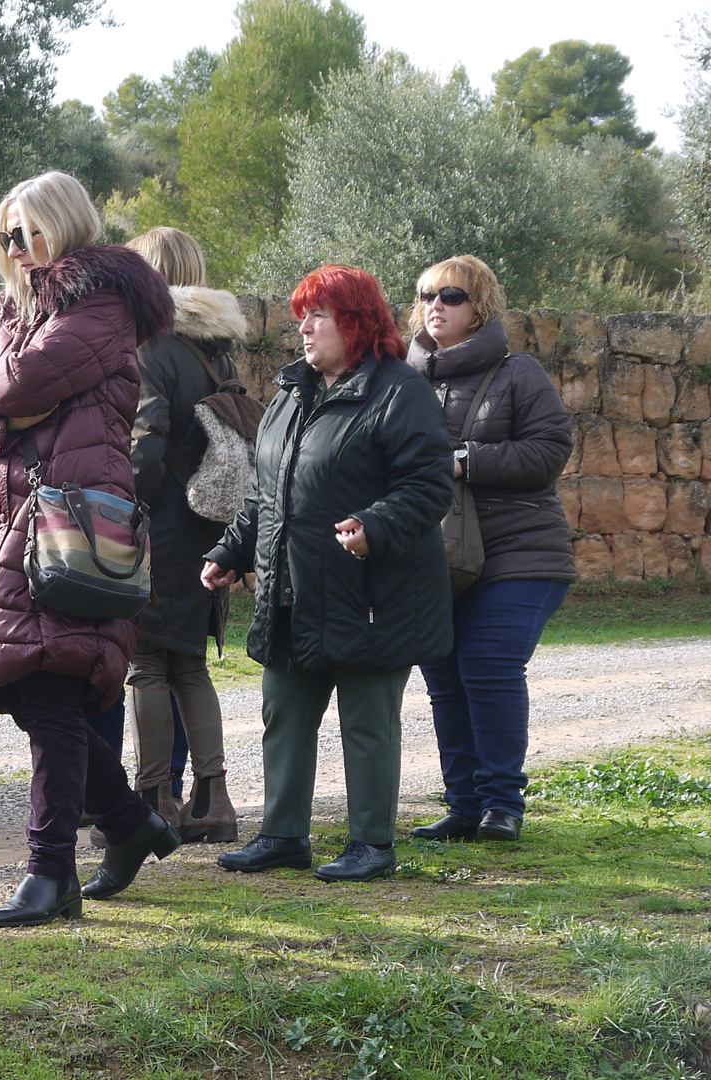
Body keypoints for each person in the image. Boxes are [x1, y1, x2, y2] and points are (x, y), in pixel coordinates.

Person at [0, 171, 179, 926]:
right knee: (24, 686)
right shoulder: (18, 313)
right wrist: (8, 420)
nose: (18, 247)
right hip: (13, 513)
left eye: (31, 231)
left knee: (48, 687)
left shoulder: (99, 301)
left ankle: (52, 872)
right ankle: (127, 820)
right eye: (8, 235)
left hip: (66, 518)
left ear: (66, 226)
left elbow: (23, 380)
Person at [206, 264, 453, 884]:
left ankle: (372, 845)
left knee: (367, 723)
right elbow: (267, 493)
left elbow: (428, 487)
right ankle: (283, 836)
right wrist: (230, 551)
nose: (304, 329)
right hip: (295, 591)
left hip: (373, 594)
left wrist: (376, 525)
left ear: (357, 322)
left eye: (318, 316)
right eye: (301, 317)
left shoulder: (401, 391)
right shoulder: (290, 393)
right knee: (283, 712)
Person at [406, 256, 574, 844]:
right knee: (444, 676)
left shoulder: (517, 372)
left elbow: (552, 448)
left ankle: (503, 804)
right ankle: (463, 805)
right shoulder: (403, 379)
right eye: (427, 294)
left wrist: (466, 460)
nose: (436, 305)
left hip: (519, 551)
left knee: (488, 664)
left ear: (481, 305)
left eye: (452, 295)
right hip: (437, 554)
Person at [122, 226, 243, 844]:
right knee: (190, 665)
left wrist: (119, 510)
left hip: (161, 528)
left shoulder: (151, 348)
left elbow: (144, 449)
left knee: (145, 663)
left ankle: (153, 803)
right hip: (209, 527)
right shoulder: (217, 350)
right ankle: (213, 800)